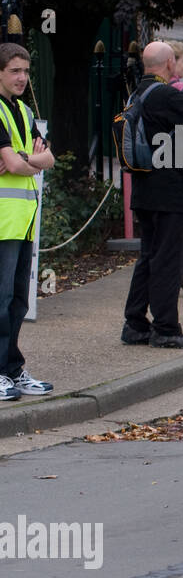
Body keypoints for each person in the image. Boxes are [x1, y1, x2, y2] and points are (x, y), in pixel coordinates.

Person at [121, 42, 183, 349]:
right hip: (171, 191)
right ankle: (165, 328)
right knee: (168, 262)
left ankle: (135, 323)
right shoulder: (166, 94)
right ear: (170, 63)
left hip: (145, 188)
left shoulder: (138, 93)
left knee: (149, 257)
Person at [0, 43, 55, 400]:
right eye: (14, 71)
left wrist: (25, 159)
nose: (22, 78)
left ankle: (11, 369)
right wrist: (28, 160)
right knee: (1, 300)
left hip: (23, 221)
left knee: (19, 300)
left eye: (25, 71)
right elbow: (24, 165)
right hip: (4, 223)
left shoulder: (23, 109)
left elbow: (47, 158)